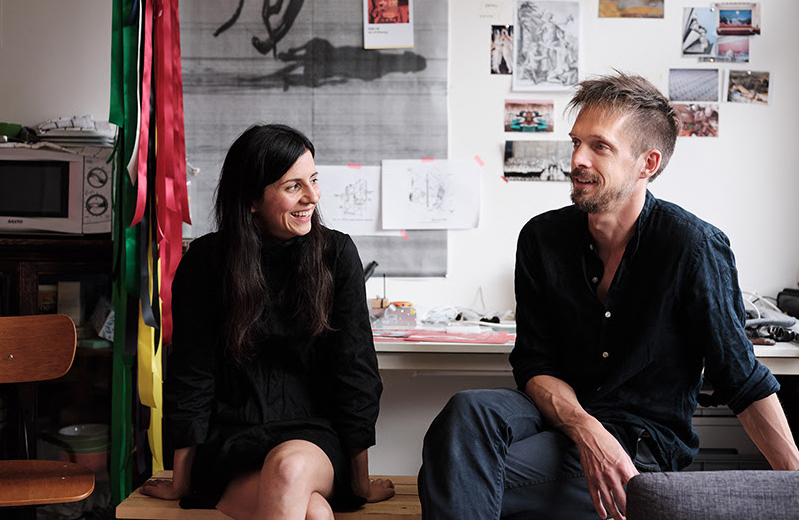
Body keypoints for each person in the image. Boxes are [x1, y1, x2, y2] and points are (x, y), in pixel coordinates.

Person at [418, 72, 799, 520]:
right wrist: (586, 428)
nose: (577, 158)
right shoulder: (541, 238)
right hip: (560, 418)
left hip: (639, 444)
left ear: (647, 163)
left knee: (458, 470)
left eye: (600, 146)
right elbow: (534, 365)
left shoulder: (692, 247)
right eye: (576, 142)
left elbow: (743, 380)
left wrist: (794, 484)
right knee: (466, 411)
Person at [140, 124, 394, 518]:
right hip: (230, 442)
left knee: (289, 469)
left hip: (312, 438)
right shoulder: (206, 262)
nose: (313, 197)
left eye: (313, 180)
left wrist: (360, 481)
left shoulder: (335, 254)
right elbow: (192, 375)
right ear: (252, 199)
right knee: (314, 513)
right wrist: (181, 479)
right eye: (293, 186)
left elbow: (355, 369)